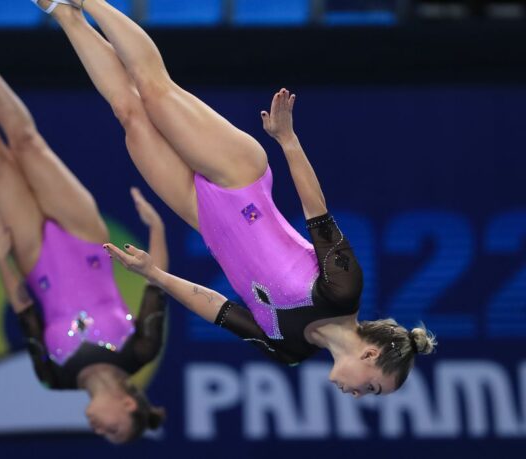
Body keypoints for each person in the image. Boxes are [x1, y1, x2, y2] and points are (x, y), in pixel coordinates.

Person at [35, 0, 436, 397]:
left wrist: (155, 276)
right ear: (370, 355)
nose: (362, 395)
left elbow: (219, 309)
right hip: (240, 177)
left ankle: (61, 12)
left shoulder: (289, 350)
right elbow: (318, 214)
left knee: (129, 114)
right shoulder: (344, 290)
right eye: (374, 389)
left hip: (203, 217)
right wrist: (287, 141)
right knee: (154, 90)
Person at [0, 16, 167, 442]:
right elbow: (156, 285)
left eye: (102, 435)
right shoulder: (140, 352)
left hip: (33, 257)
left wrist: (2, 261)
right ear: (129, 405)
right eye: (112, 429)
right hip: (87, 241)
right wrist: (157, 227)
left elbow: (24, 313)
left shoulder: (52, 377)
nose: (99, 429)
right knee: (26, 143)